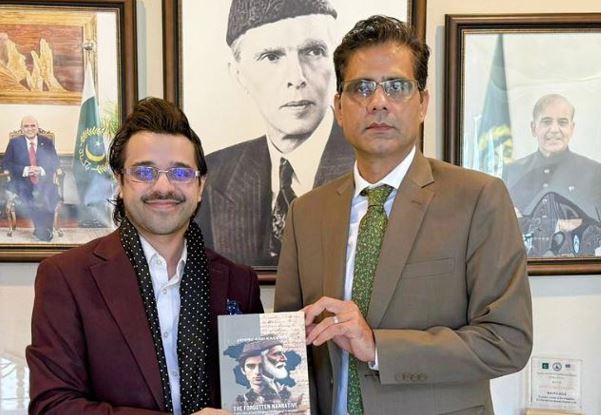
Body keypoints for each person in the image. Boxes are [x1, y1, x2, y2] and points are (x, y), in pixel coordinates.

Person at [275, 15, 533, 415]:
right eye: (361, 87)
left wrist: (379, 347)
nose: (378, 101)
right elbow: (290, 343)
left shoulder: (479, 199)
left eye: (396, 86)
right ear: (339, 108)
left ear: (422, 103)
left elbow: (507, 341)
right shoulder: (305, 213)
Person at [26, 97, 263, 415]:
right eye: (144, 172)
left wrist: (293, 341)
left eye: (180, 173)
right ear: (120, 182)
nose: (163, 186)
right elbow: (53, 406)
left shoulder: (239, 282)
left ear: (200, 186)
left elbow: (258, 392)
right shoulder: (66, 278)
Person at [196, 0, 355, 267]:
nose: (297, 77)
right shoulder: (215, 176)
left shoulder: (372, 171)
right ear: (238, 74)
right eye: (271, 57)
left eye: (314, 51)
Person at [503, 94, 601, 256]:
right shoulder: (513, 172)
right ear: (533, 128)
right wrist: (561, 224)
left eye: (562, 122)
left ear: (572, 128)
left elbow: (595, 230)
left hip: (580, 267)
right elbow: (507, 228)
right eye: (546, 122)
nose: (554, 130)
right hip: (526, 267)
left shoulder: (594, 172)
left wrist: (530, 222)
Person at [2, 115, 59, 241]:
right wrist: (26, 170)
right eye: (26, 126)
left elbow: (55, 162)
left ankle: (46, 229)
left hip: (44, 181)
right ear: (22, 129)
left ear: (38, 127)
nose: (30, 128)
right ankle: (42, 230)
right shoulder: (14, 143)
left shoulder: (46, 142)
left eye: (33, 125)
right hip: (22, 183)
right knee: (30, 196)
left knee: (49, 193)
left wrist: (41, 170)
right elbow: (6, 164)